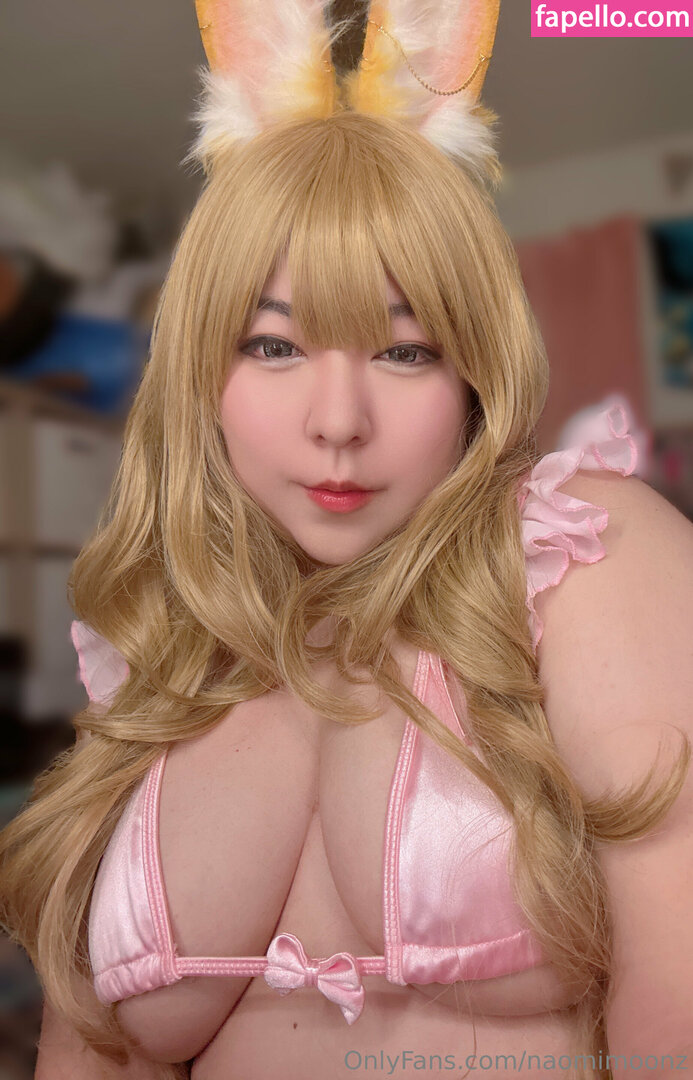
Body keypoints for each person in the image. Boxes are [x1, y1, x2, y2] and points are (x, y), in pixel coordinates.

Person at [2, 2, 693, 1078]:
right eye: (273, 346)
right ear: (201, 372)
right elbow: (85, 1052)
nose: (337, 421)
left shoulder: (581, 555)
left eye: (405, 351)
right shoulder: (161, 653)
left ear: (475, 373)